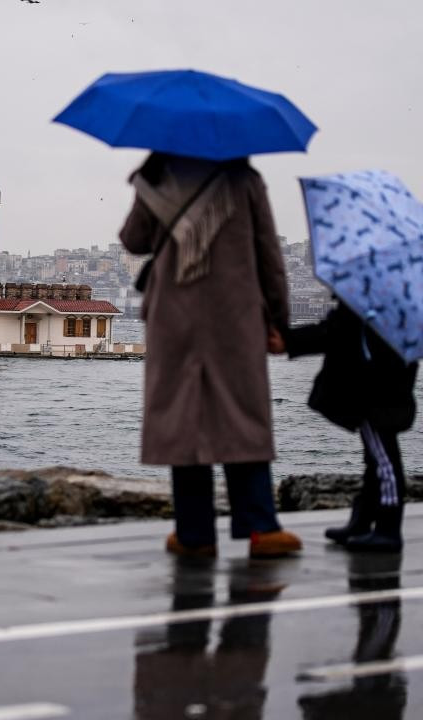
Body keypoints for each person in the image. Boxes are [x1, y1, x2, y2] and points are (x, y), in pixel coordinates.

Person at [119, 152, 301, 559]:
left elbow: (134, 239)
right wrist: (279, 320)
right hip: (234, 316)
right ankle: (261, 527)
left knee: (182, 419)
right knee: (242, 415)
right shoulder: (245, 180)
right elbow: (268, 254)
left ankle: (194, 532)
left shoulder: (158, 177)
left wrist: (148, 184)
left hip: (173, 317)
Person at [282, 302, 419, 552]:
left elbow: (337, 330)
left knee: (384, 460)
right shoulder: (395, 296)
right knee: (375, 459)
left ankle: (388, 527)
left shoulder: (369, 294)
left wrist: (289, 340)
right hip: (387, 383)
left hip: (376, 388)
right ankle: (363, 519)